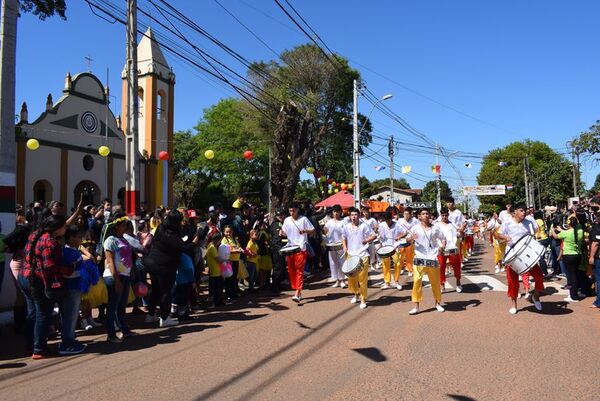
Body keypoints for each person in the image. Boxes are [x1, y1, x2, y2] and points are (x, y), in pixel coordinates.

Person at [23, 215, 72, 359]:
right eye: (64, 226)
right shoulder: (50, 242)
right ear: (57, 229)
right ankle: (39, 349)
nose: (65, 229)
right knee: (43, 314)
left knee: (33, 314)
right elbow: (50, 265)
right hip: (38, 281)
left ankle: (31, 345)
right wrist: (68, 269)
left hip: (26, 276)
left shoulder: (35, 234)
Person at [145, 210, 196, 327]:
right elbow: (183, 248)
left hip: (152, 262)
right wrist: (195, 241)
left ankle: (151, 315)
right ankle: (164, 318)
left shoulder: (161, 228)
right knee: (165, 292)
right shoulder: (170, 234)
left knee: (155, 289)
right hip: (164, 265)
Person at [496, 204, 544, 314]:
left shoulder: (529, 221)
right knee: (512, 282)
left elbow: (537, 229)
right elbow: (498, 234)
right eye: (521, 210)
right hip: (512, 256)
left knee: (539, 277)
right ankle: (514, 304)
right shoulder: (507, 222)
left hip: (527, 255)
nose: (524, 212)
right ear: (514, 213)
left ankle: (535, 297)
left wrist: (534, 224)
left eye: (525, 210)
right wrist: (505, 237)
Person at [102, 213, 136, 342]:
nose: (126, 227)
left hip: (125, 275)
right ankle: (111, 334)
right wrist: (116, 280)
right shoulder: (110, 240)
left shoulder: (124, 239)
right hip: (114, 276)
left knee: (121, 306)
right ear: (117, 226)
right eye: (123, 225)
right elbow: (110, 261)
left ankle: (125, 330)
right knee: (112, 306)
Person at [408, 208, 446, 315]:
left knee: (435, 282)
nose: (426, 215)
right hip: (419, 258)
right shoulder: (415, 228)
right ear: (419, 216)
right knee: (417, 281)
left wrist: (443, 246)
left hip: (432, 258)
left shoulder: (435, 228)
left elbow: (443, 238)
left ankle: (438, 303)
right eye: (423, 214)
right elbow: (407, 239)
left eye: (427, 213)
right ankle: (416, 306)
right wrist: (410, 238)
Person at [342, 207, 376, 309]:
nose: (354, 217)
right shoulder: (346, 227)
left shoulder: (364, 226)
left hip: (363, 255)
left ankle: (363, 299)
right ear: (349, 216)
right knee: (352, 278)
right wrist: (344, 246)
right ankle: (356, 294)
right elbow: (343, 237)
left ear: (359, 215)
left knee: (362, 278)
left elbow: (374, 235)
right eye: (352, 215)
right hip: (351, 255)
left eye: (355, 215)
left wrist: (366, 240)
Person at [281, 203, 315, 302]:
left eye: (293, 210)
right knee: (291, 270)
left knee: (299, 270)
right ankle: (297, 289)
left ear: (297, 210)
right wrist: (281, 233)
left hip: (301, 247)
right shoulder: (287, 220)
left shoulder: (303, 219)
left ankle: (297, 291)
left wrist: (305, 231)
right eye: (290, 211)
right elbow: (284, 232)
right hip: (290, 248)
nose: (292, 213)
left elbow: (313, 230)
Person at [551, 216, 584, 302]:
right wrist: (562, 230)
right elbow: (568, 232)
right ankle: (576, 293)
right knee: (576, 274)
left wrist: (552, 229)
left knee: (571, 276)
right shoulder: (580, 232)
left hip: (568, 255)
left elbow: (555, 236)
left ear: (569, 224)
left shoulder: (567, 233)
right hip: (578, 255)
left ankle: (573, 296)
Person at [436, 208, 462, 293]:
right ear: (440, 215)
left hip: (452, 248)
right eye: (443, 215)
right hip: (441, 249)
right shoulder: (436, 225)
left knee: (456, 266)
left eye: (446, 215)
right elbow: (434, 237)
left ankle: (458, 282)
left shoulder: (453, 225)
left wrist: (461, 232)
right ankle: (442, 284)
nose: (444, 217)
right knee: (441, 266)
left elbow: (458, 234)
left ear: (448, 215)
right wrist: (440, 246)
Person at [378, 211, 404, 290]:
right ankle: (387, 282)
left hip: (395, 246)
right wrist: (378, 234)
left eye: (388, 220)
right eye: (386, 220)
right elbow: (381, 236)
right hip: (385, 247)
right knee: (385, 265)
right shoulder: (382, 225)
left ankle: (396, 281)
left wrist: (399, 237)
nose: (387, 222)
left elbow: (404, 232)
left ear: (391, 219)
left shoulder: (397, 224)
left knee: (398, 263)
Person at [323, 204, 346, 288]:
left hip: (341, 244)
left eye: (338, 211)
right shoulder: (329, 222)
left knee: (342, 262)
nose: (336, 213)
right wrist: (324, 230)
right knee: (333, 263)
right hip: (331, 244)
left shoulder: (344, 221)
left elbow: (346, 233)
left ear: (340, 212)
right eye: (334, 211)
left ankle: (343, 280)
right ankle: (337, 280)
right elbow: (326, 232)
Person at [222, 225, 243, 299]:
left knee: (234, 278)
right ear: (224, 232)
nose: (228, 233)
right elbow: (225, 250)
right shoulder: (224, 240)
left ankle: (233, 293)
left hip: (236, 260)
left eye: (230, 232)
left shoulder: (234, 239)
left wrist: (239, 248)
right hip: (229, 261)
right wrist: (236, 251)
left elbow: (238, 246)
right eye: (227, 232)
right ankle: (229, 294)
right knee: (229, 279)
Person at [269, 208, 287, 294]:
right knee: (278, 268)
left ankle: (278, 284)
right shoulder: (276, 224)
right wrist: (279, 249)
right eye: (279, 215)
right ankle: (274, 286)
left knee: (282, 267)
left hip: (281, 248)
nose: (281, 216)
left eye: (282, 215)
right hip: (277, 249)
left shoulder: (280, 223)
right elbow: (276, 239)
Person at [398, 207, 418, 276]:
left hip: (410, 240)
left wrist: (413, 238)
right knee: (401, 256)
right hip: (402, 240)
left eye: (407, 214)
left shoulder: (414, 220)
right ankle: (402, 268)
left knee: (409, 256)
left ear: (410, 214)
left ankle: (410, 270)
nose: (406, 215)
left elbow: (417, 230)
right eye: (404, 214)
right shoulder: (400, 220)